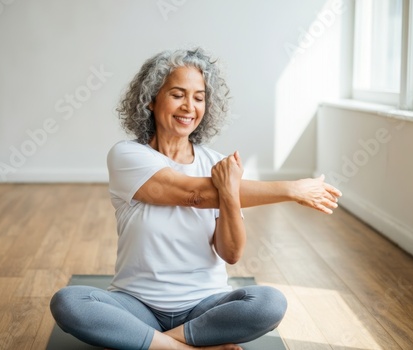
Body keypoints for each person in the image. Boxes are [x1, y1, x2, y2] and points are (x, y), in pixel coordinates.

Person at [50, 47, 342, 350]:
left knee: (268, 303)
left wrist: (229, 193)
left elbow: (231, 253)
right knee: (70, 302)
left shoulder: (216, 164)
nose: (189, 107)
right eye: (177, 95)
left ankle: (155, 345)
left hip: (202, 309)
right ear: (150, 99)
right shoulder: (128, 155)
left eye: (199, 98)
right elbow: (193, 194)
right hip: (137, 306)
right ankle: (185, 347)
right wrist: (291, 189)